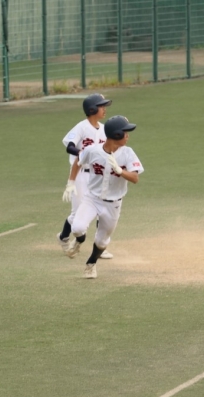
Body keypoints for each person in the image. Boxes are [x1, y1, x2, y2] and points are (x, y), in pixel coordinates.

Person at [65, 115, 144, 279]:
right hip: (92, 198)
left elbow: (135, 178)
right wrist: (71, 182)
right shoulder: (92, 150)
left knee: (102, 242)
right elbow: (78, 161)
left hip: (113, 204)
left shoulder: (128, 153)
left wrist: (120, 171)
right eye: (125, 133)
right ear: (116, 135)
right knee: (77, 228)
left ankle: (91, 263)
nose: (128, 136)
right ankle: (79, 241)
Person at [57, 93, 114, 260]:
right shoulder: (81, 127)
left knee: (102, 211)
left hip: (98, 174)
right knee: (77, 214)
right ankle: (63, 237)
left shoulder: (104, 129)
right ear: (92, 109)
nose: (104, 109)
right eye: (101, 106)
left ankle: (99, 246)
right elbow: (70, 146)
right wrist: (83, 154)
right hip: (81, 174)